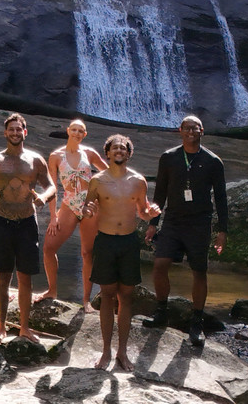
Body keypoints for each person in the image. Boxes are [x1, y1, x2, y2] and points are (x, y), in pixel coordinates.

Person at [145, 115, 228, 347]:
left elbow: (221, 198)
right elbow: (160, 192)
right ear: (180, 131)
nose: (191, 132)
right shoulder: (169, 157)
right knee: (160, 264)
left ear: (202, 131)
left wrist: (222, 230)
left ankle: (197, 323)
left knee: (199, 271)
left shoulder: (213, 161)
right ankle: (161, 312)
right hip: (173, 221)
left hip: (199, 223)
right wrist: (153, 223)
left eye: (195, 128)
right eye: (187, 128)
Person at [0, 113, 56, 344]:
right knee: (2, 277)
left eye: (19, 129)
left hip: (27, 222)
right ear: (5, 133)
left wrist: (43, 197)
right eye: (11, 129)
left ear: (25, 132)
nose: (15, 133)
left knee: (25, 278)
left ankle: (24, 328)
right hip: (2, 222)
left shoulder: (35, 160)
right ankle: (1, 328)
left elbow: (51, 186)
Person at [85, 135, 162, 371]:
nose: (119, 150)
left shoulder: (138, 181)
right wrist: (88, 210)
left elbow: (142, 211)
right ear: (107, 153)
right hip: (106, 241)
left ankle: (122, 352)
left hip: (129, 242)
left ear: (129, 154)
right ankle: (106, 351)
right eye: (115, 148)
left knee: (126, 297)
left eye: (123, 148)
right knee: (107, 295)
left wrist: (151, 213)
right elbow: (87, 208)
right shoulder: (97, 180)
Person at [37, 119, 108, 309]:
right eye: (74, 129)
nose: (77, 133)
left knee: (87, 253)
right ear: (68, 131)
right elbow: (52, 187)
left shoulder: (89, 153)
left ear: (85, 134)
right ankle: (52, 290)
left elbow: (109, 173)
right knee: (49, 247)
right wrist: (53, 216)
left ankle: (86, 300)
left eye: (81, 131)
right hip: (69, 204)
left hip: (90, 204)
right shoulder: (56, 156)